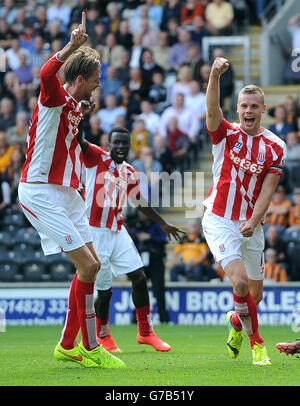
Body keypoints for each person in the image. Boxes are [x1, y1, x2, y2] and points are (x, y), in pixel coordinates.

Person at [18, 12, 125, 369]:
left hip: (68, 192)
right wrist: (72, 45)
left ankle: (68, 345)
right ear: (80, 79)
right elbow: (46, 73)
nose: (98, 85)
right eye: (94, 81)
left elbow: (74, 143)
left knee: (90, 268)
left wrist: (103, 153)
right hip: (40, 191)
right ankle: (91, 348)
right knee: (89, 264)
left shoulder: (75, 106)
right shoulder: (54, 96)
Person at [202, 56, 286, 365]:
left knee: (255, 297)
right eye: (243, 106)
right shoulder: (226, 134)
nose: (248, 110)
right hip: (220, 219)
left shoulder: (276, 146)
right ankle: (258, 345)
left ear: (263, 109)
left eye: (254, 106)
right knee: (239, 284)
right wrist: (214, 74)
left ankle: (236, 323)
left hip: (252, 225)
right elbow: (212, 110)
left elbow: (268, 190)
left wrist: (252, 221)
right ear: (237, 109)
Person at [76, 124, 185, 352]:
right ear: (109, 144)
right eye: (117, 142)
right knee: (105, 291)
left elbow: (139, 202)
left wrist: (163, 223)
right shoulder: (96, 157)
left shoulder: (128, 171)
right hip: (95, 234)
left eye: (125, 143)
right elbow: (78, 139)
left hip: (118, 230)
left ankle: (145, 332)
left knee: (139, 276)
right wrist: (82, 115)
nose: (121, 146)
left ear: (130, 145)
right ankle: (103, 335)